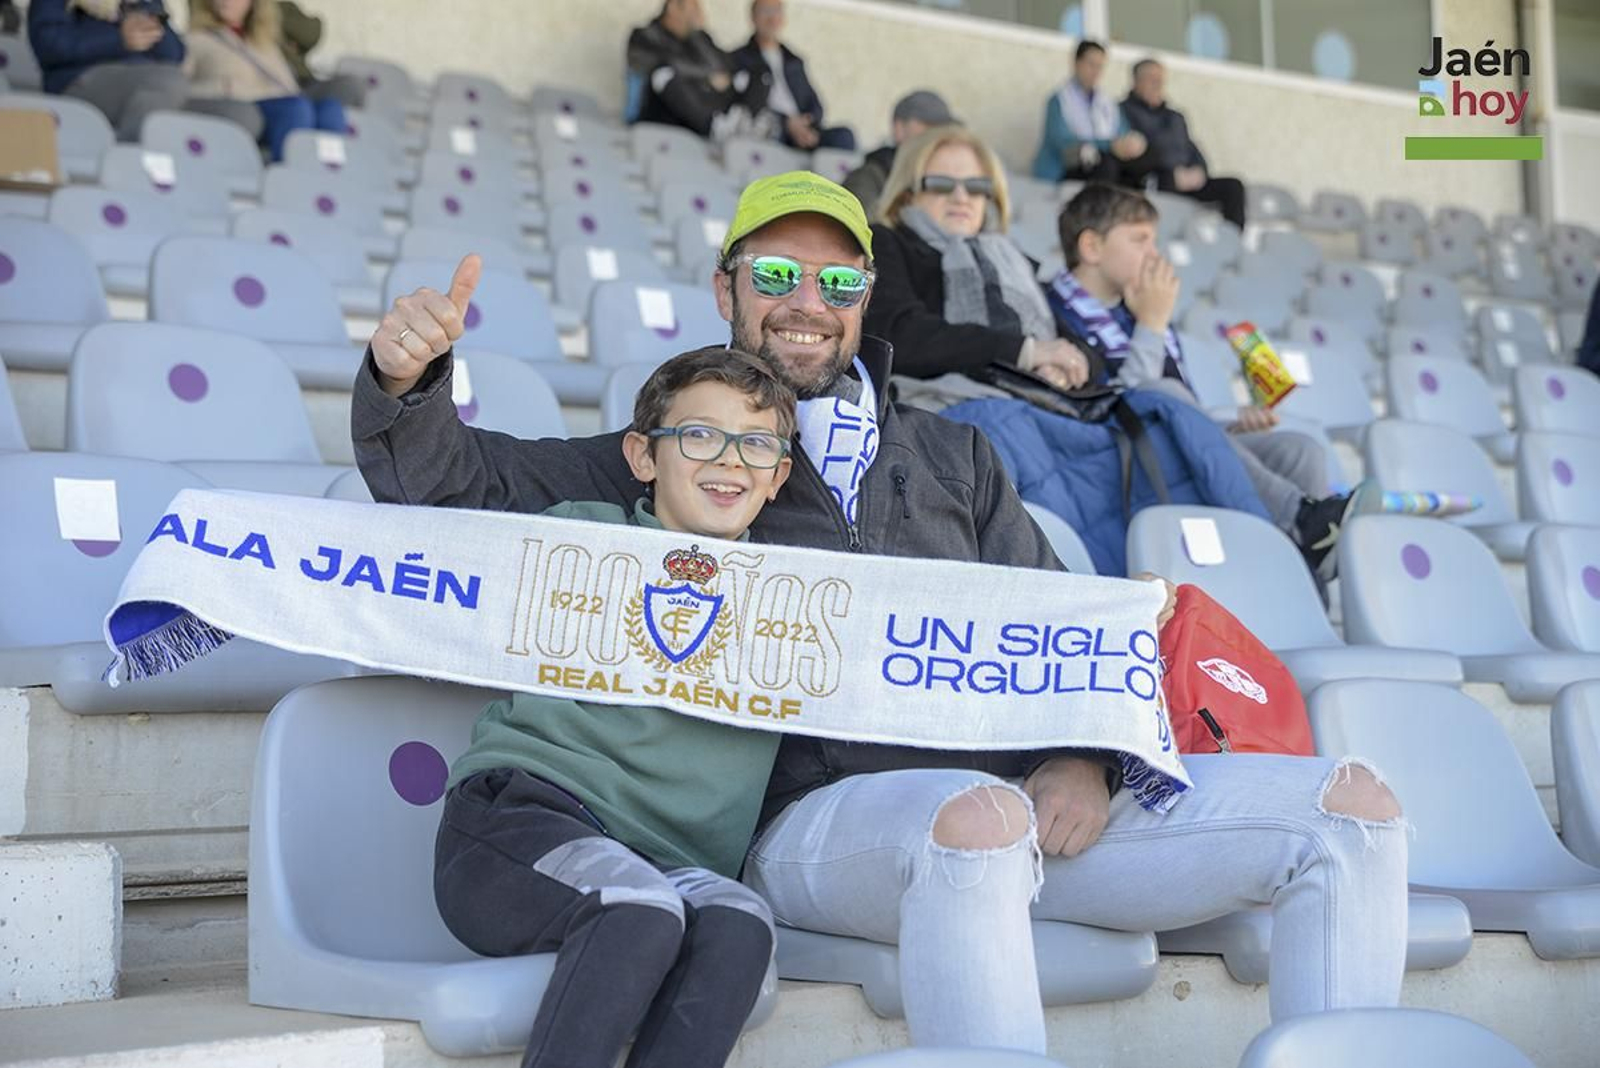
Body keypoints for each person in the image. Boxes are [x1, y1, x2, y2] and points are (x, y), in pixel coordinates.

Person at [356, 171, 1408, 1055]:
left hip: (1020, 806)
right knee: (979, 825)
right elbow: (457, 487)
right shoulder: (689, 448)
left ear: (866, 298)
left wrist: (1083, 757)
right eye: (774, 274)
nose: (804, 299)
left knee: (1349, 812)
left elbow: (1064, 624)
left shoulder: (953, 455)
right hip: (810, 820)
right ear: (726, 288)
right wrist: (408, 382)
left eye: (836, 279)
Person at [433, 345, 788, 1068]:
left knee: (742, 926)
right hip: (518, 823)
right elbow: (417, 554)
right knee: (635, 909)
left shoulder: (804, 598)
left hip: (666, 860)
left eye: (755, 443)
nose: (729, 460)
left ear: (779, 475)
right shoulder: (578, 536)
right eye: (698, 435)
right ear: (643, 455)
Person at [1047, 183, 1355, 577]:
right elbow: (1121, 405)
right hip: (1123, 450)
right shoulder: (1054, 311)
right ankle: (1299, 528)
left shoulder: (1137, 308)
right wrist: (1152, 326)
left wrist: (1230, 420)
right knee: (1165, 392)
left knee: (1301, 449)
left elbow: (1186, 412)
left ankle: (1304, 584)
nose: (1153, 254)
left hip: (1180, 437)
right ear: (1091, 247)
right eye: (1139, 240)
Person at [27, 0, 262, 142]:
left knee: (242, 115)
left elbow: (174, 54)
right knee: (168, 81)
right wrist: (118, 39)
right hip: (80, 83)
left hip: (153, 90)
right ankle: (128, 162)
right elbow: (48, 45)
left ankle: (195, 186)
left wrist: (146, 10)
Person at [184, 0, 345, 161]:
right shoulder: (195, 39)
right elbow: (183, 90)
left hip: (279, 102)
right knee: (296, 109)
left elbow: (289, 87)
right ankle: (287, 175)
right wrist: (222, 87)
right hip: (241, 107)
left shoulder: (265, 43)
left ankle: (328, 173)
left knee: (330, 109)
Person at [1120, 58, 1246, 229]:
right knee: (1165, 180)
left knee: (1233, 186)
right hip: (1156, 180)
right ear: (1136, 81)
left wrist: (1199, 171)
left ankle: (1233, 243)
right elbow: (1140, 153)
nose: (1157, 84)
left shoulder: (1176, 117)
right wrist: (1174, 173)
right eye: (1152, 79)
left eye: (1161, 80)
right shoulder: (1123, 111)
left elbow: (1192, 148)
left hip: (1187, 181)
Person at [626, 0, 772, 142]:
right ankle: (714, 127)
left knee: (759, 72)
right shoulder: (645, 35)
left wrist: (698, 37)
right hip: (669, 109)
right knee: (663, 74)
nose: (699, 13)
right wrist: (706, 77)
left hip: (710, 102)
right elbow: (657, 64)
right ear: (673, 7)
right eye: (694, 7)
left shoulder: (699, 37)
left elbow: (725, 66)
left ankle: (747, 123)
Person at [730, 0, 855, 152]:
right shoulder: (738, 59)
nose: (772, 18)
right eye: (766, 11)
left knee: (844, 136)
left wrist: (805, 125)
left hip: (803, 129)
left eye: (776, 11)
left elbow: (815, 105)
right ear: (753, 17)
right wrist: (786, 123)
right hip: (772, 130)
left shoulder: (793, 61)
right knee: (769, 132)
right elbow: (743, 106)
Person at [1031, 40, 1146, 185]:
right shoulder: (1059, 100)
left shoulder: (1107, 103)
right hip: (1066, 169)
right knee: (1106, 165)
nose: (1096, 71)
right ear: (1076, 63)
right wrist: (1108, 145)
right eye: (1091, 64)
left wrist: (1131, 144)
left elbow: (1122, 134)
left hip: (1101, 164)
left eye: (1100, 66)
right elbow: (1064, 144)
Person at [840, 89, 955, 214]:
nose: (938, 135)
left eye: (944, 129)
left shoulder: (952, 179)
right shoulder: (869, 176)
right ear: (899, 128)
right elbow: (861, 225)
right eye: (929, 127)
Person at [275, 1, 364, 108]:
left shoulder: (281, 8)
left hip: (303, 81)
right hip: (276, 89)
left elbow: (311, 33)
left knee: (352, 85)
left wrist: (270, 17)